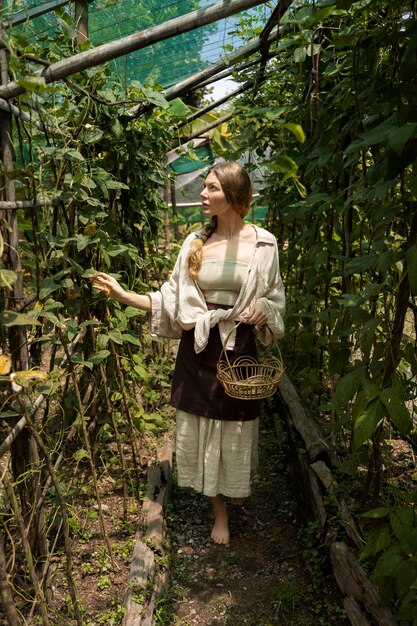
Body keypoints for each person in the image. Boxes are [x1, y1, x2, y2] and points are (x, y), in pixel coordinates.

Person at [92, 161, 285, 545]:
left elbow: (276, 296)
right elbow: (170, 298)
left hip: (240, 346)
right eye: (205, 187)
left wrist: (266, 309)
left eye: (212, 188)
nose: (202, 193)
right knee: (200, 422)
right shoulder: (195, 242)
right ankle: (219, 511)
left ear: (233, 195)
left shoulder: (264, 243)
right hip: (199, 347)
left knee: (235, 423)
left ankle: (230, 489)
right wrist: (122, 295)